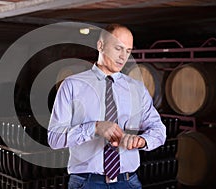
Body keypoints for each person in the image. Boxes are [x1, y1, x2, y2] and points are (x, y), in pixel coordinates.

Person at [48, 24, 166, 189]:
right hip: (86, 182)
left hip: (128, 182)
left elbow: (159, 130)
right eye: (118, 48)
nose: (123, 57)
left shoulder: (137, 89)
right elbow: (54, 138)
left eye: (128, 51)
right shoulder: (72, 85)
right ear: (100, 45)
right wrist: (94, 128)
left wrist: (141, 140)